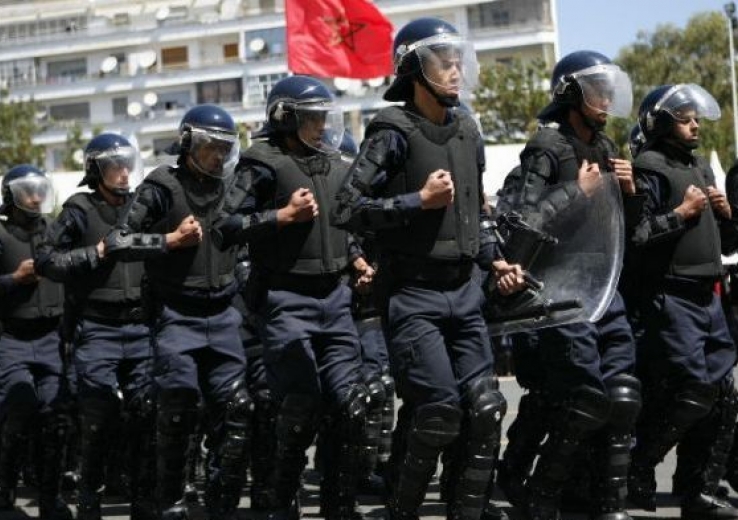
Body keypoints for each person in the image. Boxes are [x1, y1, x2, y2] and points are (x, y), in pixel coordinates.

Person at [331, 17, 524, 520]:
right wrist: (418, 201)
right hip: (413, 295)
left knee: (485, 409)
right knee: (439, 410)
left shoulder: (468, 128)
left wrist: (495, 257)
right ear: (415, 68)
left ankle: (469, 508)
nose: (456, 69)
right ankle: (401, 509)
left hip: (466, 291)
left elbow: (475, 216)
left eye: (458, 59)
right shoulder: (390, 131)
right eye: (443, 61)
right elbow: (347, 209)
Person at [213, 74, 374, 520]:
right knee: (301, 405)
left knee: (351, 405)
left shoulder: (339, 164)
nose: (321, 125)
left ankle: (338, 506)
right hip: (285, 299)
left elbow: (339, 226)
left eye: (325, 116)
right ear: (285, 117)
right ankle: (280, 499)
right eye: (311, 118)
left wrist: (357, 259)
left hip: (336, 299)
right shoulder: (261, 161)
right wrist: (282, 215)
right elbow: (224, 228)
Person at [493, 50, 642, 520]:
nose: (605, 98)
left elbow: (624, 229)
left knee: (621, 395)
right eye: (596, 89)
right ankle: (536, 491)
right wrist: (577, 191)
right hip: (561, 288)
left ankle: (604, 498)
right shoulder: (546, 147)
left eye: (608, 89)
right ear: (572, 95)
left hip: (605, 283)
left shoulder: (606, 146)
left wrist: (630, 191)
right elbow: (520, 220)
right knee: (582, 398)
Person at [102, 104, 251, 520]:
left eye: (225, 148)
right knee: (179, 409)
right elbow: (118, 241)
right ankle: (169, 503)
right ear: (187, 144)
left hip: (223, 316)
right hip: (176, 315)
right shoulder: (161, 184)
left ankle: (222, 504)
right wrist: (167, 241)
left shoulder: (232, 187)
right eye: (210, 147)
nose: (218, 156)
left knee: (238, 408)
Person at [627, 83, 738, 520]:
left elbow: (726, 242)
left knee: (722, 396)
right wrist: (681, 214)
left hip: (707, 296)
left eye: (696, 118)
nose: (695, 126)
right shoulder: (648, 167)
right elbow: (637, 236)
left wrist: (725, 215)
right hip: (670, 297)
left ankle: (699, 490)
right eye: (685, 118)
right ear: (661, 122)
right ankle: (639, 465)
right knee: (693, 390)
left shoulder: (699, 168)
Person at [34, 133, 156, 520]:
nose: (122, 173)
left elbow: (164, 245)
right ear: (95, 170)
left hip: (141, 327)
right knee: (98, 418)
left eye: (126, 164)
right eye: (112, 166)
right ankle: (89, 499)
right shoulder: (78, 209)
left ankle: (143, 500)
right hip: (97, 329)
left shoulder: (143, 206)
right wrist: (97, 252)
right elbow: (47, 260)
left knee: (145, 415)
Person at [0, 165, 72, 519]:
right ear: (11, 196)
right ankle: (5, 487)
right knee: (18, 407)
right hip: (11, 337)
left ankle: (50, 497)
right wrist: (14, 278)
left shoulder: (56, 232)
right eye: (27, 191)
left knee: (55, 419)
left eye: (40, 189)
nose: (35, 197)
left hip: (51, 338)